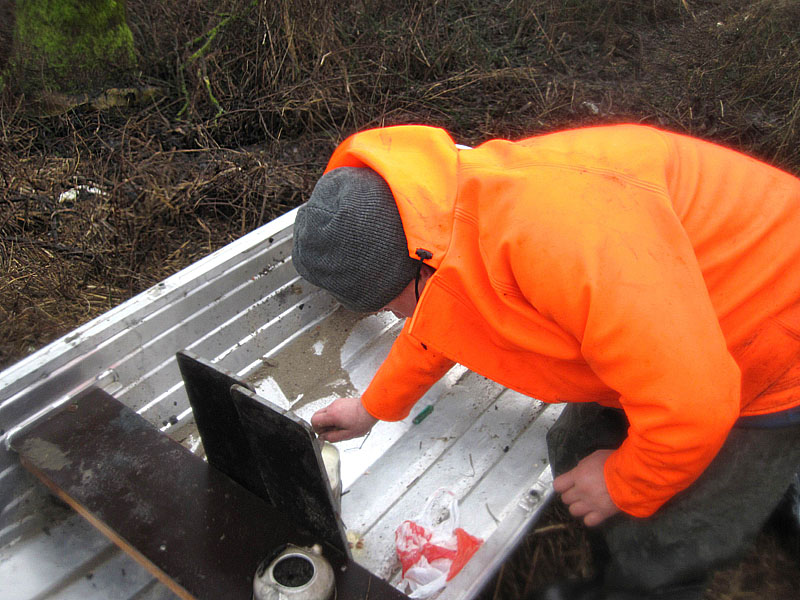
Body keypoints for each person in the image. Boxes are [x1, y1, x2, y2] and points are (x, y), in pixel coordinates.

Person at [291, 123, 800, 600]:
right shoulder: (448, 215)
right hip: (670, 332)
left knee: (670, 534)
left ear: (419, 266)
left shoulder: (561, 243)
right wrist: (371, 407)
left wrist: (623, 483)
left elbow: (697, 403)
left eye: (387, 304)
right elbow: (445, 316)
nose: (393, 316)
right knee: (575, 445)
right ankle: (613, 564)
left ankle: (643, 582)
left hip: (772, 344)